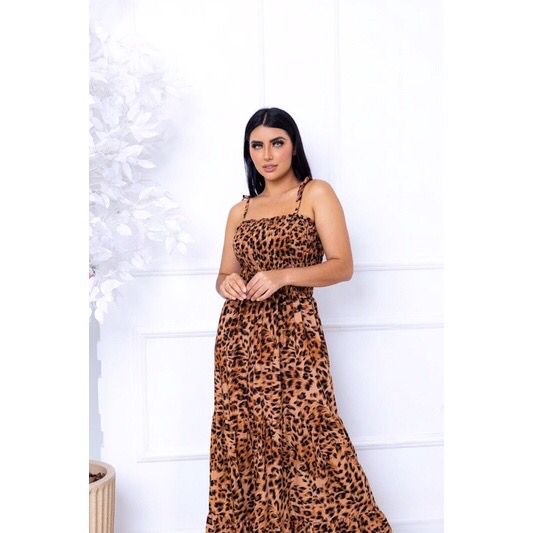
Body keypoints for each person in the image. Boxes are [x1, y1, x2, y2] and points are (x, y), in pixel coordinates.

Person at [205, 107, 392, 532]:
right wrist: (226, 284)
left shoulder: (315, 194)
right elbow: (223, 274)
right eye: (257, 145)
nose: (267, 154)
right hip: (239, 341)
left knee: (311, 434)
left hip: (295, 335)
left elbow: (342, 265)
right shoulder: (240, 210)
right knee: (244, 439)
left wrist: (283, 276)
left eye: (277, 143)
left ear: (293, 146)